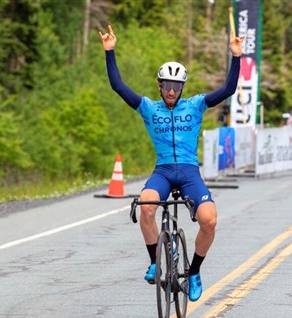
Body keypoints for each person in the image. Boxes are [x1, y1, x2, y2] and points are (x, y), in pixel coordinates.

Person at [99, 24, 245, 302]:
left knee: (209, 220)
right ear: (160, 85)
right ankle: (155, 261)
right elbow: (118, 86)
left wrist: (236, 56)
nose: (171, 91)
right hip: (164, 172)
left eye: (176, 86)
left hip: (190, 173)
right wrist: (110, 51)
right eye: (166, 85)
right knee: (146, 206)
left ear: (182, 87)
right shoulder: (148, 108)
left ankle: (194, 272)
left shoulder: (196, 104)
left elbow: (227, 89)